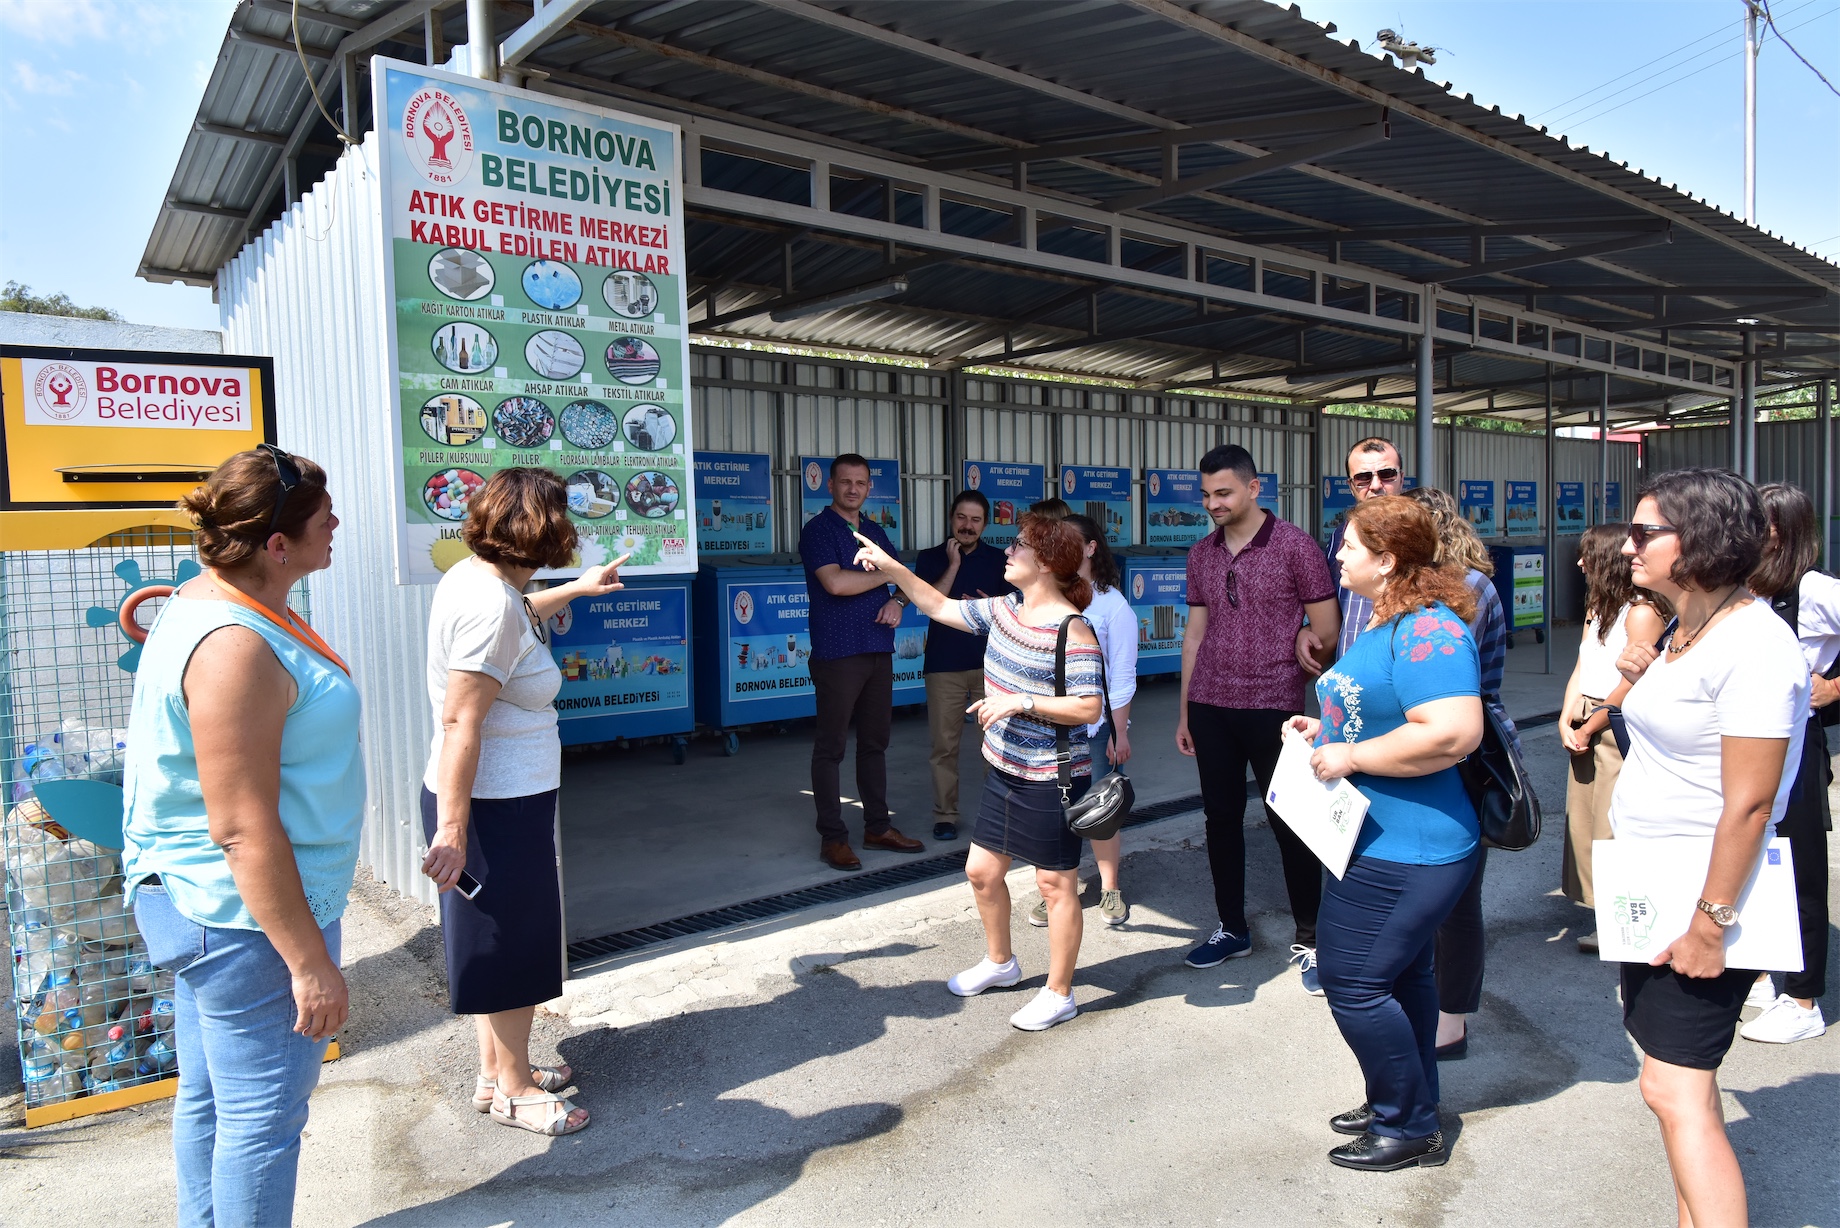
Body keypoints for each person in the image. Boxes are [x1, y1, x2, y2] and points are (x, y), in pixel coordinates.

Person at [123, 445, 364, 1224]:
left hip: (212, 907)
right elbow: (241, 825)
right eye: (322, 515)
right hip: (244, 917)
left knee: (211, 1100)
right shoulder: (235, 645)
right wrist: (310, 961)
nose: (337, 523)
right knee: (262, 1123)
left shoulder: (228, 605)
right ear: (277, 545)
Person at [1610, 468, 1808, 1226]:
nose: (1629, 546)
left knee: (1675, 1088)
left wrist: (1709, 925)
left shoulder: (1754, 644)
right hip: (1657, 883)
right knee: (1669, 1086)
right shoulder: (1685, 626)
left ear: (1697, 543)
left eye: (1644, 533)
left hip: (1703, 897)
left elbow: (1752, 803)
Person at [421, 469, 626, 1137]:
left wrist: (577, 588)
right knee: (510, 944)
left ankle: (497, 1071)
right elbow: (461, 722)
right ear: (543, 528)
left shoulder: (486, 586)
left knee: (503, 940)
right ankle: (511, 1089)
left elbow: (519, 622)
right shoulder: (488, 606)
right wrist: (453, 828)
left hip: (505, 803)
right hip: (492, 808)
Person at [851, 515, 1104, 1031]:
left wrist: (1020, 701)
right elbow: (941, 606)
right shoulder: (1004, 609)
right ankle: (1001, 964)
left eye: (1020, 546)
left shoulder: (1072, 628)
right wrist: (894, 569)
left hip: (1050, 776)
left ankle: (1059, 993)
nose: (1007, 552)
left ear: (1048, 563)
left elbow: (1087, 708)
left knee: (1055, 885)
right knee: (981, 872)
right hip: (1004, 769)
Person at [1289, 495, 1483, 1172]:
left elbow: (1454, 731)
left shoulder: (1430, 630)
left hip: (1412, 845)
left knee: (1354, 982)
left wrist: (1352, 757)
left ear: (1387, 559)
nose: (1337, 555)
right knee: (1403, 977)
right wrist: (1329, 733)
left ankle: (1407, 1126)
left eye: (1347, 546)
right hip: (1371, 838)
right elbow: (1382, 712)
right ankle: (1406, 1100)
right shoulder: (1384, 621)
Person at [1176, 445, 1340, 988]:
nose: (1212, 504)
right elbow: (1194, 635)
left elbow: (1328, 627)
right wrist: (1184, 712)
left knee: (1289, 820)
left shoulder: (1295, 546)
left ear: (1254, 488)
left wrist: (1302, 635)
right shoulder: (1201, 554)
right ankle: (1230, 928)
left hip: (1274, 703)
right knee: (1219, 821)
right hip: (1210, 705)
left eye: (1222, 492)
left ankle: (1312, 939)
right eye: (1205, 495)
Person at [1403, 485, 1513, 1061]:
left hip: (1459, 752)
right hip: (1438, 746)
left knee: (1457, 898)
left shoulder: (1463, 590)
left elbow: (1437, 680)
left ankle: (1451, 1021)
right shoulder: (1449, 583)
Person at [799, 453, 926, 869]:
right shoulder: (818, 530)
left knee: (875, 745)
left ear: (870, 488)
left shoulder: (874, 531)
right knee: (831, 747)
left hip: (878, 650)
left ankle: (877, 827)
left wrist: (899, 599)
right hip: (838, 653)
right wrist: (887, 576)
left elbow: (906, 577)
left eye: (861, 483)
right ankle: (832, 837)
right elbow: (834, 582)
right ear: (830, 486)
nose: (853, 489)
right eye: (845, 482)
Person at [1741, 482, 1833, 1043]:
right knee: (1759, 857)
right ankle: (1772, 971)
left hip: (1800, 743)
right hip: (1755, 738)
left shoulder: (1816, 588)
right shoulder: (1749, 585)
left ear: (1787, 529)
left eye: (1764, 521)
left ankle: (1804, 1000)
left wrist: (1835, 685)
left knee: (1800, 871)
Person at [1558, 524, 1669, 952]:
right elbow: (1583, 666)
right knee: (1583, 819)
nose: (1581, 562)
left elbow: (1631, 681)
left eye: (1588, 555)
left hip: (1613, 724)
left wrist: (1590, 724)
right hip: (1587, 714)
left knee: (1612, 823)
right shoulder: (1598, 608)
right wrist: (1567, 714)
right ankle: (1600, 909)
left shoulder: (1641, 611)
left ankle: (1622, 917)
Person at [1028, 513, 1137, 927]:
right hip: (1052, 726)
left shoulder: (1114, 606)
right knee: (1057, 812)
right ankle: (1058, 888)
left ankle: (1110, 889)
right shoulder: (1052, 597)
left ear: (1091, 548)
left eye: (1072, 542)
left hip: (1095, 728)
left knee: (1100, 809)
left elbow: (1123, 675)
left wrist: (1118, 731)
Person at [914, 490, 1015, 841]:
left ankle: (998, 814)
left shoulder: (1002, 560)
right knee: (944, 745)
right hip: (944, 665)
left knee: (996, 745)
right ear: (951, 518)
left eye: (975, 520)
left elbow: (1018, 606)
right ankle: (945, 815)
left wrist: (995, 605)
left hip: (993, 666)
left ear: (985, 524)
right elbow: (931, 603)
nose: (967, 526)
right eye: (962, 518)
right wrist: (953, 565)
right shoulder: (930, 558)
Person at [1309, 436, 1406, 667]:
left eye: (1386, 474)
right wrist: (1308, 630)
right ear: (1351, 485)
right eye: (1363, 478)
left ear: (1402, 478)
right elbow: (1331, 607)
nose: (1375, 485)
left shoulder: (1426, 538)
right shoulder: (1339, 537)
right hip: (1348, 680)